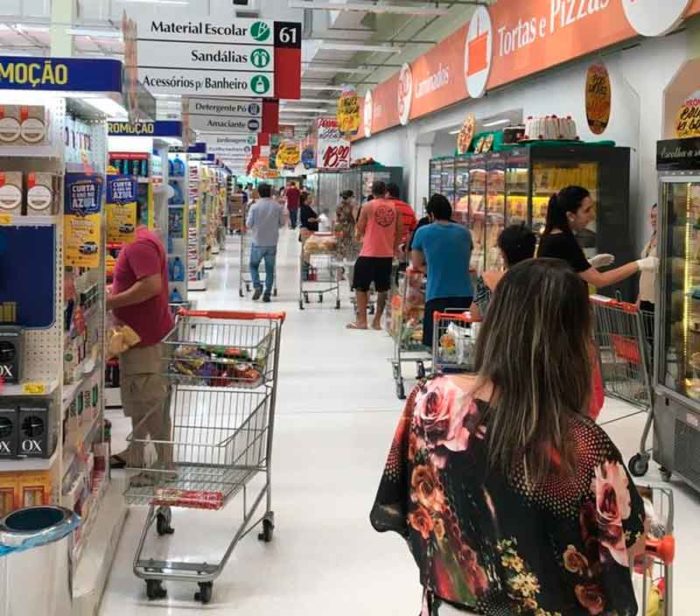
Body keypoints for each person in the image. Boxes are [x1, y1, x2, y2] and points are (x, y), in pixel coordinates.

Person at [371, 259, 646, 616]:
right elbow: (630, 550)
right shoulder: (584, 444)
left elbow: (405, 507)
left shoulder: (430, 401)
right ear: (577, 342)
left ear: (497, 322)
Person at [107, 205, 174, 484]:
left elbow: (151, 286)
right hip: (140, 337)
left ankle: (163, 466)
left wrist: (110, 301)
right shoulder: (141, 239)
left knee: (151, 404)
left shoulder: (137, 245)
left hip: (146, 340)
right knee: (141, 400)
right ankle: (136, 452)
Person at [537, 185, 658, 289]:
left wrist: (589, 263)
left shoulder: (551, 236)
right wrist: (638, 264)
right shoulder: (562, 241)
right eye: (587, 210)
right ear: (570, 215)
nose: (592, 215)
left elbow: (563, 270)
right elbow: (600, 280)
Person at [411, 194, 473, 347]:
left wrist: (432, 269)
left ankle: (437, 369)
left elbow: (416, 264)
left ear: (431, 214)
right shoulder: (464, 232)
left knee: (435, 344)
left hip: (437, 294)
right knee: (462, 343)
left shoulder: (423, 232)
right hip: (465, 296)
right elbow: (466, 259)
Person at [348, 180, 402, 331]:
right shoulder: (395, 208)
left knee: (361, 287)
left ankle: (362, 321)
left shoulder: (367, 206)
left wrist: (361, 236)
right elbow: (399, 230)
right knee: (383, 288)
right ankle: (377, 320)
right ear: (386, 192)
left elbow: (359, 227)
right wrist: (394, 247)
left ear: (372, 192)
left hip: (368, 252)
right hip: (386, 254)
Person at [472, 223, 537, 319]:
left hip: (497, 333)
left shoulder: (488, 280)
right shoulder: (544, 283)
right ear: (533, 251)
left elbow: (476, 315)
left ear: (503, 253)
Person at [246, 182, 285, 302]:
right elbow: (282, 223)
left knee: (253, 266)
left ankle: (257, 286)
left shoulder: (254, 206)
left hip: (257, 241)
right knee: (269, 268)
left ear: (258, 193)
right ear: (270, 192)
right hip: (272, 242)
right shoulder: (277, 206)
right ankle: (267, 293)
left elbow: (248, 224)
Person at [335, 190, 357, 261]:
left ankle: (340, 268)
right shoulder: (350, 206)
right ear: (349, 197)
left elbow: (337, 218)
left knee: (340, 247)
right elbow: (354, 218)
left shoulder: (339, 205)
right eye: (352, 197)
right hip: (348, 228)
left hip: (340, 228)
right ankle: (349, 266)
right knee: (349, 247)